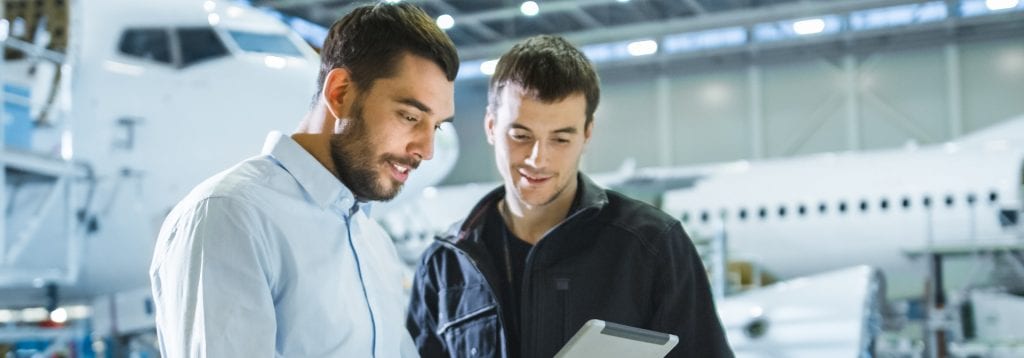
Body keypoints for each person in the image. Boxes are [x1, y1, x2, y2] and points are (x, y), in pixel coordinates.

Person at [149, 3, 458, 356]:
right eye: (409, 116)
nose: (426, 149)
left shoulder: (373, 243)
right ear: (340, 93)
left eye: (435, 126)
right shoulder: (231, 217)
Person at [406, 35, 732, 358]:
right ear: (491, 126)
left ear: (587, 134)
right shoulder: (445, 264)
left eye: (560, 139)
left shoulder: (652, 247)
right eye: (521, 135)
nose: (538, 159)